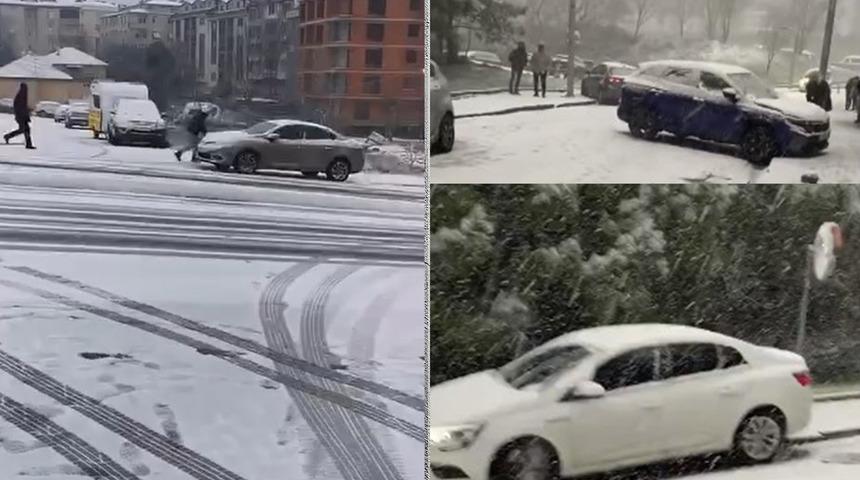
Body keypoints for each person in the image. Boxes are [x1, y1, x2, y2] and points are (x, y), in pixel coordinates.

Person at [3, 83, 35, 149]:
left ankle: (28, 144)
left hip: (23, 116)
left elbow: (23, 107)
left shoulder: (23, 97)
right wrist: (22, 114)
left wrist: (28, 111)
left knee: (27, 129)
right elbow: (18, 107)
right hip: (20, 117)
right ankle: (7, 136)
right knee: (22, 129)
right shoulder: (19, 97)